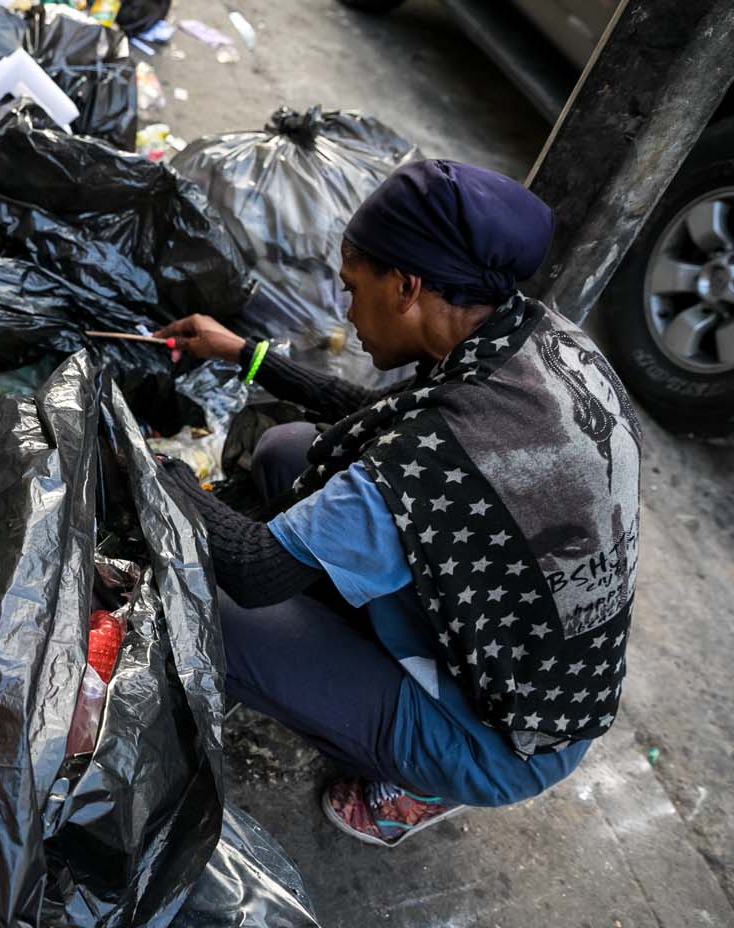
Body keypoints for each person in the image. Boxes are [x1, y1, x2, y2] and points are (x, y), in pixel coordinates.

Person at [155, 159, 642, 847]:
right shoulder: (535, 338)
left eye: (353, 288)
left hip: (507, 739)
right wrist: (247, 355)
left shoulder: (445, 453)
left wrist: (154, 467)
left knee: (213, 616)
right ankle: (361, 670)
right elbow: (381, 418)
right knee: (289, 451)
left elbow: (253, 569)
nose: (348, 311)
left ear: (407, 286)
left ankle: (421, 783)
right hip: (521, 655)